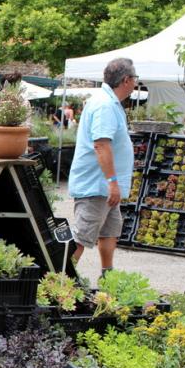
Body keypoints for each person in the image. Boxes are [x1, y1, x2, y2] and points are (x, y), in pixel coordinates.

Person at [68, 58, 137, 279]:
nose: (135, 83)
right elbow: (101, 144)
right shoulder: (105, 105)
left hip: (105, 186)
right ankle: (59, 281)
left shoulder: (110, 102)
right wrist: (112, 182)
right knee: (82, 236)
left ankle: (107, 276)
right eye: (135, 79)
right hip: (98, 185)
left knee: (110, 231)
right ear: (126, 80)